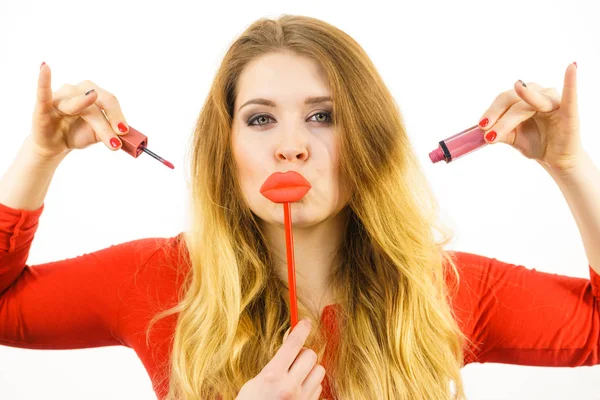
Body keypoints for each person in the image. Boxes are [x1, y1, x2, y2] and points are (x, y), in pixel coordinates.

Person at [1, 14, 599, 400]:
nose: (291, 144)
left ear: (367, 141)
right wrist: (40, 153)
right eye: (260, 118)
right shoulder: (157, 279)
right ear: (225, 148)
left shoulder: (443, 288)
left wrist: (570, 167)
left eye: (323, 116)